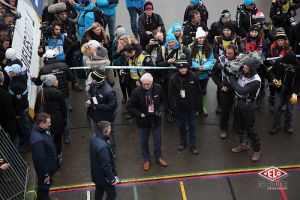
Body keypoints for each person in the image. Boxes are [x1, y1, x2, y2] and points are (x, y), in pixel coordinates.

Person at [31, 49, 76, 144]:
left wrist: (33, 78)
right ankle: (66, 136)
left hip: (49, 96)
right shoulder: (64, 65)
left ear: (47, 58)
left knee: (51, 114)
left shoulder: (44, 69)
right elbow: (72, 79)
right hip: (64, 95)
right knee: (65, 115)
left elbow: (38, 82)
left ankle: (52, 134)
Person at [127, 73, 167, 171]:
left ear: (152, 82)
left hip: (156, 119)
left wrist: (161, 110)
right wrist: (140, 114)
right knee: (143, 141)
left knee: (157, 140)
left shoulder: (158, 88)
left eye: (148, 84)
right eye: (144, 84)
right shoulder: (136, 92)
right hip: (143, 121)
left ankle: (158, 157)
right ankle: (146, 160)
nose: (146, 86)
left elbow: (163, 101)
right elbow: (130, 106)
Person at [228, 55, 262, 162]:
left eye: (246, 67)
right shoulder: (243, 72)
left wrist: (231, 78)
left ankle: (257, 150)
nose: (244, 68)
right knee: (239, 126)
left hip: (248, 105)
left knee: (250, 129)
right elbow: (230, 70)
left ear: (252, 68)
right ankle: (243, 144)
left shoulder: (256, 80)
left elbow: (241, 90)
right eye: (244, 66)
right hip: (238, 102)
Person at [156, 33, 192, 121]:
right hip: (167, 77)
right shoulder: (163, 49)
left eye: (172, 42)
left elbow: (189, 63)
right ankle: (171, 112)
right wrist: (167, 62)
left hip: (180, 77)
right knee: (169, 95)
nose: (171, 44)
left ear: (175, 41)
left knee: (182, 94)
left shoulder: (183, 49)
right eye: (168, 42)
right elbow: (158, 64)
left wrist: (176, 63)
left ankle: (183, 113)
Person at [168, 57, 200, 155]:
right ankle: (183, 142)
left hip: (191, 107)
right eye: (181, 68)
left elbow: (199, 92)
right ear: (178, 68)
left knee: (192, 126)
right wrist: (173, 108)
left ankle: (192, 145)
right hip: (180, 107)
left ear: (187, 67)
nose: (183, 70)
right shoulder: (173, 78)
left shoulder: (194, 76)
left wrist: (199, 106)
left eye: (185, 68)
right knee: (181, 125)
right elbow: (170, 94)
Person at [35, 74, 67, 160]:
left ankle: (49, 154)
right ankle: (58, 154)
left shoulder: (41, 93)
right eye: (56, 80)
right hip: (57, 120)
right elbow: (63, 108)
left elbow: (37, 107)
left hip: (45, 120)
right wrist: (64, 119)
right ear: (52, 83)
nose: (57, 81)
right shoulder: (58, 93)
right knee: (58, 139)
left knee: (47, 138)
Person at [86, 68, 118, 154]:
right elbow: (90, 93)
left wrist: (98, 106)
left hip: (106, 118)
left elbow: (113, 106)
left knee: (109, 135)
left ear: (98, 79)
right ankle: (98, 149)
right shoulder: (94, 85)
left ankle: (111, 152)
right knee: (95, 133)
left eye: (93, 79)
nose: (92, 81)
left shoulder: (109, 91)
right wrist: (89, 100)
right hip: (95, 116)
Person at [211, 45, 239, 138]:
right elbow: (213, 74)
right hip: (225, 88)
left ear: (235, 52)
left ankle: (236, 126)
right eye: (227, 53)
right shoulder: (221, 59)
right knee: (225, 110)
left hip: (238, 88)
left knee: (238, 109)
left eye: (231, 53)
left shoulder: (240, 58)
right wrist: (220, 85)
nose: (228, 55)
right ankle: (223, 129)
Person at [30, 113, 60, 200]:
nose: (50, 124)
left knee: (45, 188)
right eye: (48, 123)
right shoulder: (38, 141)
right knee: (44, 189)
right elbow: (40, 160)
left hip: (49, 166)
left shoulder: (41, 130)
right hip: (46, 171)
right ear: (42, 124)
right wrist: (46, 175)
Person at [269, 53, 300, 135]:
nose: (282, 63)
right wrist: (274, 80)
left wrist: (295, 93)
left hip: (291, 92)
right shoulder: (279, 61)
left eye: (284, 63)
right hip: (279, 90)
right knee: (277, 108)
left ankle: (288, 125)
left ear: (290, 64)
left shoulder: (297, 67)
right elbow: (271, 72)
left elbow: (298, 81)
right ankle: (276, 125)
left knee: (290, 110)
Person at [90, 121, 119, 200]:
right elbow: (106, 165)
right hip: (104, 178)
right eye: (109, 128)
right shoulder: (103, 147)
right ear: (105, 131)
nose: (110, 130)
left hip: (96, 174)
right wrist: (112, 179)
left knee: (98, 192)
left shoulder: (93, 138)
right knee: (112, 195)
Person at [189, 27, 215, 116]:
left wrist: (204, 67)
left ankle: (203, 107)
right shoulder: (190, 47)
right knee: (196, 91)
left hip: (205, 74)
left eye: (203, 38)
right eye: (200, 38)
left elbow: (211, 60)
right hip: (195, 74)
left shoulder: (209, 47)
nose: (202, 39)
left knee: (203, 91)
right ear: (197, 38)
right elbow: (190, 60)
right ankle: (197, 107)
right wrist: (197, 67)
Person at [6, 64, 31, 152]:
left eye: (11, 71)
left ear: (15, 73)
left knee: (24, 127)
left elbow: (19, 102)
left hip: (21, 110)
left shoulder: (16, 86)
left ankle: (28, 144)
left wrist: (17, 113)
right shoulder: (20, 79)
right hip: (24, 107)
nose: (9, 73)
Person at [267, 28, 293, 111]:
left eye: (282, 40)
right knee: (273, 86)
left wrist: (285, 59)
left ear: (285, 41)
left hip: (284, 72)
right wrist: (272, 65)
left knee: (284, 87)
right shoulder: (271, 47)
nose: (280, 42)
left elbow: (293, 61)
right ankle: (273, 103)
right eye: (278, 40)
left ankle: (283, 103)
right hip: (274, 72)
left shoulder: (289, 49)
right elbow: (267, 59)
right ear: (276, 40)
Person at [0, 71, 19, 148]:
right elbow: (9, 112)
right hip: (6, 123)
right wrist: (15, 116)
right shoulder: (5, 94)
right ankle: (13, 159)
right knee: (15, 139)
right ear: (2, 79)